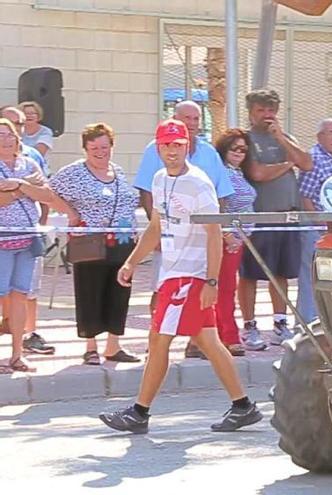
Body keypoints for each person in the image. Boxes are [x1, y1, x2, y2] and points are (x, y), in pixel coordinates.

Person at [100, 119, 261, 434]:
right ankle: (243, 406)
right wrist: (132, 262)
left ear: (187, 146)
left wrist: (211, 281)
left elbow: (214, 234)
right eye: (166, 145)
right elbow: (157, 226)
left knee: (159, 340)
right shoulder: (159, 179)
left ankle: (139, 412)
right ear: (158, 147)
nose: (172, 150)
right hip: (171, 273)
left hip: (190, 276)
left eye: (177, 144)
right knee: (208, 341)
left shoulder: (199, 184)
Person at [134, 100, 235, 359]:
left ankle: (191, 345)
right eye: (186, 118)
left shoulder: (208, 156)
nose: (192, 124)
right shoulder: (154, 151)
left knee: (202, 306)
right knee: (161, 291)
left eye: (195, 119)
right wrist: (158, 233)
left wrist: (217, 229)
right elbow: (147, 193)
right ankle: (155, 344)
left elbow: (221, 194)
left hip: (199, 246)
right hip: (170, 241)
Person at [49, 123, 141, 365]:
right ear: (85, 149)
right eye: (94, 148)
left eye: (104, 146)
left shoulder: (118, 171)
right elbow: (48, 192)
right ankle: (91, 346)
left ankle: (114, 345)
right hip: (89, 241)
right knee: (90, 290)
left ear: (112, 146)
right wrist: (70, 213)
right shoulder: (74, 172)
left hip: (121, 241)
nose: (100, 152)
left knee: (119, 291)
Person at [239, 89, 312, 346]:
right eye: (261, 110)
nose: (267, 115)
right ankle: (249, 327)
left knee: (280, 273)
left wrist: (281, 138)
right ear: (251, 112)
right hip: (259, 217)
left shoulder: (285, 138)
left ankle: (280, 323)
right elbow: (257, 173)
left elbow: (306, 162)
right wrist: (287, 165)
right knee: (249, 273)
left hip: (288, 218)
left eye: (271, 110)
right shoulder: (245, 140)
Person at [0, 118, 54, 373]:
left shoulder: (29, 163)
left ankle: (17, 354)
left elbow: (47, 194)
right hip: (1, 241)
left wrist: (19, 185)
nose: (6, 138)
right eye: (0, 134)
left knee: (20, 295)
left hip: (26, 240)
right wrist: (25, 189)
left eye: (9, 133)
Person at [213, 129, 262, 355]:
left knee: (227, 287)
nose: (239, 153)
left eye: (243, 149)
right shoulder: (221, 173)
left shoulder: (238, 173)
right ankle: (228, 336)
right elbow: (218, 205)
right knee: (224, 289)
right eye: (234, 148)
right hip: (227, 239)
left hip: (239, 239)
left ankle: (223, 334)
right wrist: (227, 235)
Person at [298, 118, 332, 325]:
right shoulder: (315, 158)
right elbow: (305, 196)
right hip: (316, 230)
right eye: (330, 133)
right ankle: (306, 323)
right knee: (311, 278)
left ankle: (325, 321)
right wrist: (320, 226)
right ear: (319, 137)